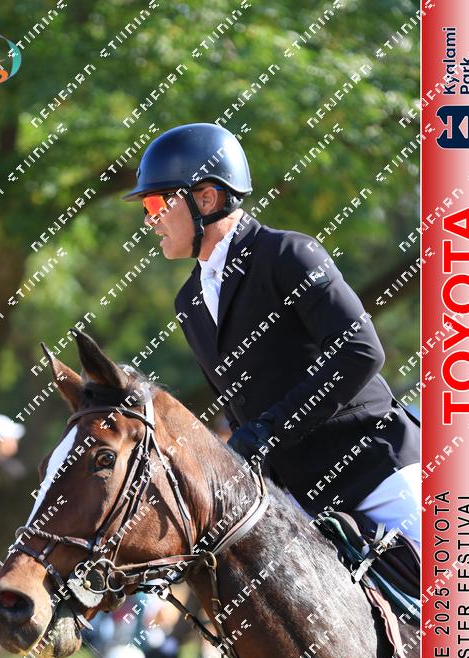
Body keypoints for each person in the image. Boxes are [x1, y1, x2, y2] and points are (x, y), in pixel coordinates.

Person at [122, 123, 420, 546]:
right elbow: (239, 409)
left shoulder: (289, 254)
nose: (149, 220)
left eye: (155, 203)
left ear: (206, 198)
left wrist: (271, 430)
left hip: (376, 473)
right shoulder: (189, 302)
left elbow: (360, 351)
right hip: (298, 503)